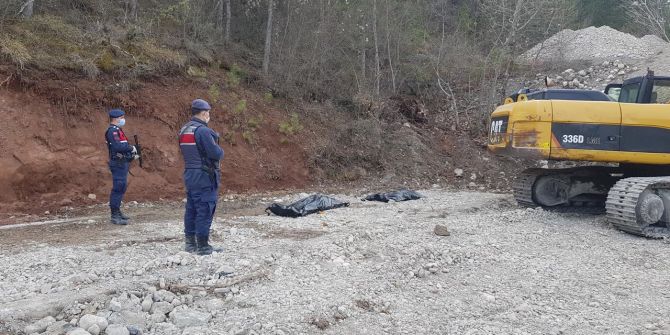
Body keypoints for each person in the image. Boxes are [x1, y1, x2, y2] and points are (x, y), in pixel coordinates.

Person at [178, 99, 224, 255]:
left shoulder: (184, 130)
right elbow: (216, 153)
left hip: (190, 174)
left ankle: (190, 244)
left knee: (191, 209)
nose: (209, 116)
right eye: (208, 113)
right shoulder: (203, 131)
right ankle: (203, 246)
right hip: (204, 176)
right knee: (205, 209)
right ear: (204, 113)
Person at [105, 109, 138, 225]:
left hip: (122, 162)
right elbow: (118, 147)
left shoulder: (118, 130)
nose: (123, 119)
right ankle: (114, 215)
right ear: (116, 118)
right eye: (121, 117)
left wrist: (131, 153)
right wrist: (131, 148)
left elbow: (122, 145)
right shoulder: (112, 131)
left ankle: (118, 212)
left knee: (122, 187)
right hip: (118, 163)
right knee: (118, 188)